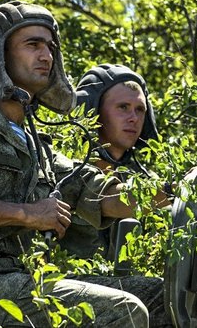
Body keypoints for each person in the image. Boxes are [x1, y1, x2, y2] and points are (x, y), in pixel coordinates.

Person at [0, 1, 168, 327]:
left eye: (50, 47)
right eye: (33, 44)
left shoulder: (33, 145)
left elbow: (102, 195)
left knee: (163, 298)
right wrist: (27, 214)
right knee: (125, 310)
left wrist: (172, 193)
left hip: (18, 281)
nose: (46, 56)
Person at [58, 64, 163, 260]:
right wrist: (180, 191)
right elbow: (115, 200)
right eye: (123, 107)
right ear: (93, 111)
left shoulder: (145, 180)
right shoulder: (64, 168)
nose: (134, 118)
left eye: (140, 110)